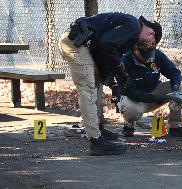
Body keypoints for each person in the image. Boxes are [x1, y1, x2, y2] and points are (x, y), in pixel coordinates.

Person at [58, 12, 162, 156]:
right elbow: (106, 44)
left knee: (96, 85)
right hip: (75, 43)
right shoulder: (133, 27)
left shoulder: (130, 29)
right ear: (151, 34)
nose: (147, 47)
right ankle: (96, 141)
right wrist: (119, 68)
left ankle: (97, 129)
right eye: (151, 44)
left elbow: (105, 50)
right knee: (88, 89)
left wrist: (113, 83)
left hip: (84, 46)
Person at [117, 39, 182, 137]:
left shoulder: (158, 55)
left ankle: (175, 126)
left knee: (178, 87)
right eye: (145, 56)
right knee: (133, 112)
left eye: (150, 56)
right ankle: (128, 124)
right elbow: (131, 91)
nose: (149, 59)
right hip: (135, 99)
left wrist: (175, 86)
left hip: (154, 92)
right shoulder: (125, 62)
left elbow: (174, 72)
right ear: (136, 51)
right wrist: (153, 98)